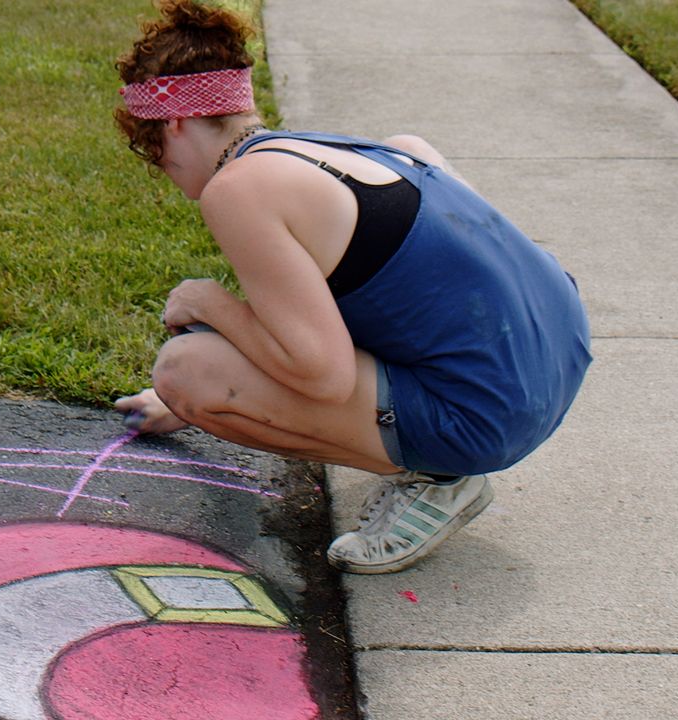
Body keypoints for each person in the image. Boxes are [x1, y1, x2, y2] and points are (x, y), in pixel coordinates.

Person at [111, 0, 592, 574]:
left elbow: (324, 374)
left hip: (491, 416)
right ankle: (438, 445)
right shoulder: (325, 151)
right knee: (411, 148)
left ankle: (441, 477)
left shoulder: (237, 187)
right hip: (557, 355)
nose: (162, 169)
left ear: (174, 125)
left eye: (152, 150)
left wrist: (209, 305)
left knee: (187, 370)